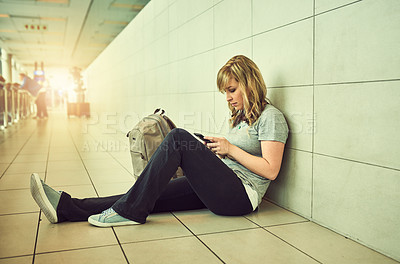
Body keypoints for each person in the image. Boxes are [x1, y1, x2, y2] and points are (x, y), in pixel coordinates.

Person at [30, 55, 289, 227]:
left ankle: (130, 213)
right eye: (225, 92)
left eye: (232, 90)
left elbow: (271, 169)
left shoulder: (271, 117)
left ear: (249, 83)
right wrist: (217, 151)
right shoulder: (239, 117)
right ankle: (65, 207)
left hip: (241, 197)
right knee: (142, 194)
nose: (228, 98)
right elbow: (233, 156)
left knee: (177, 137)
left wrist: (230, 149)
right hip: (220, 186)